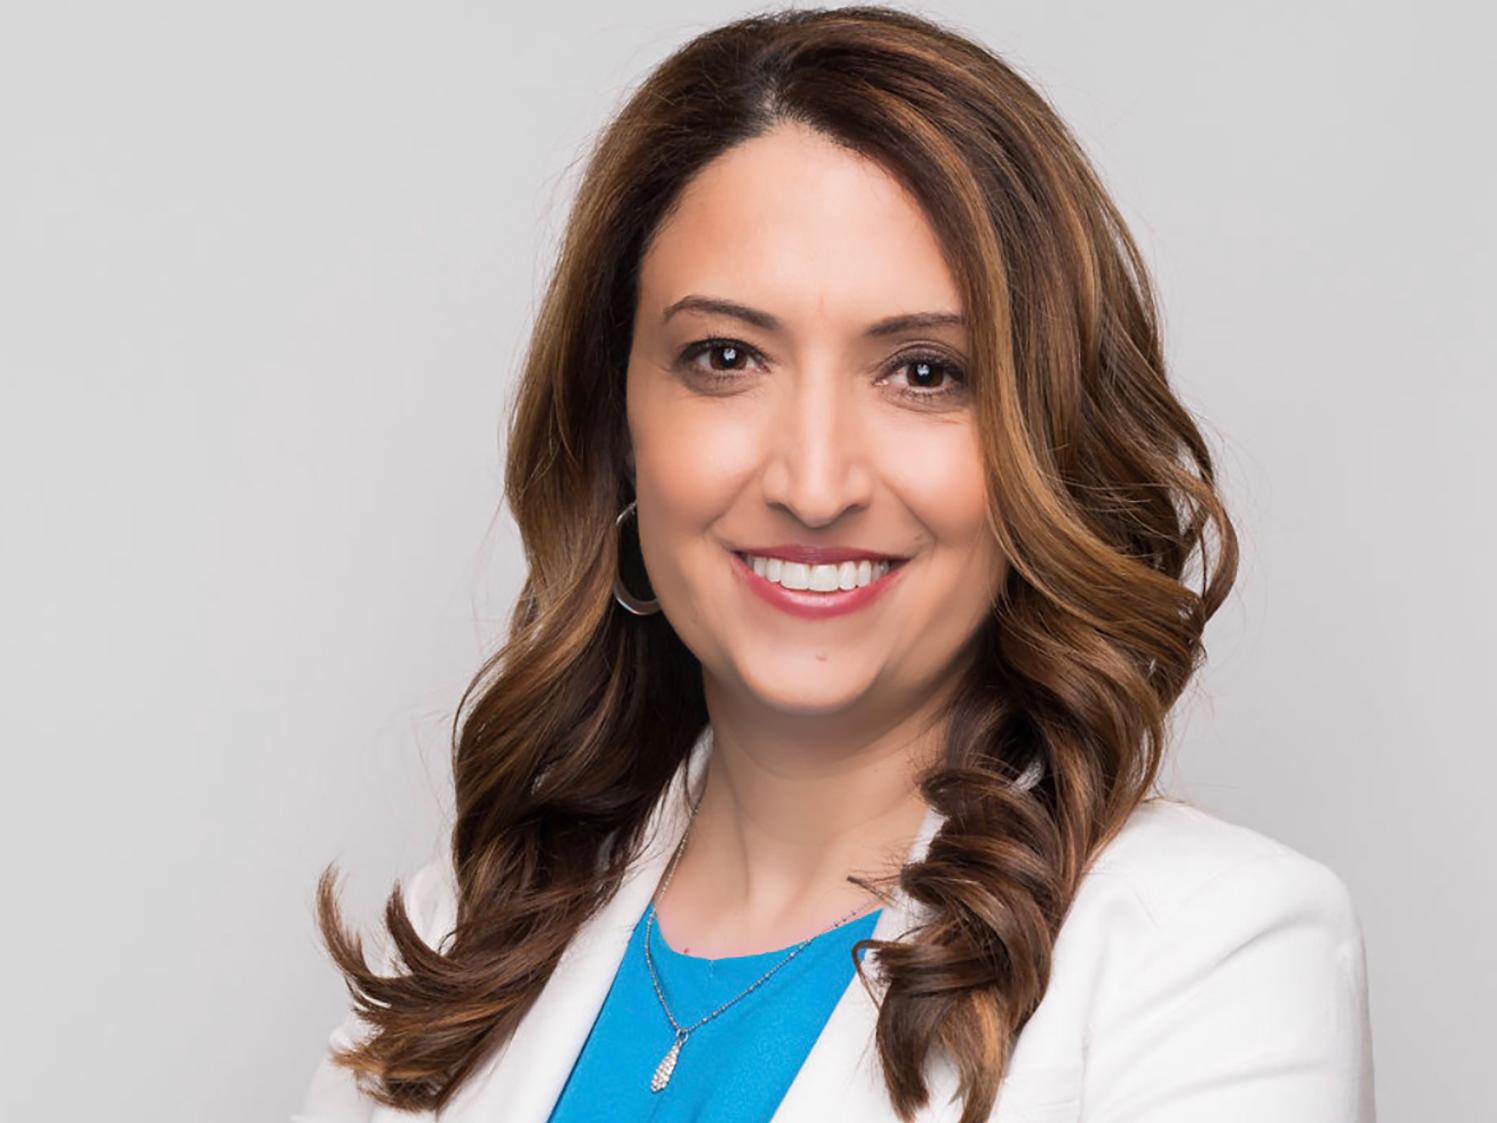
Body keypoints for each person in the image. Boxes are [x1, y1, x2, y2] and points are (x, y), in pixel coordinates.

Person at [293, 7, 1375, 1122]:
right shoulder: (457, 939)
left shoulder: (1211, 954)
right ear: (619, 428)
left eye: (923, 371)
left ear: (1043, 442)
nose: (814, 485)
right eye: (726, 356)